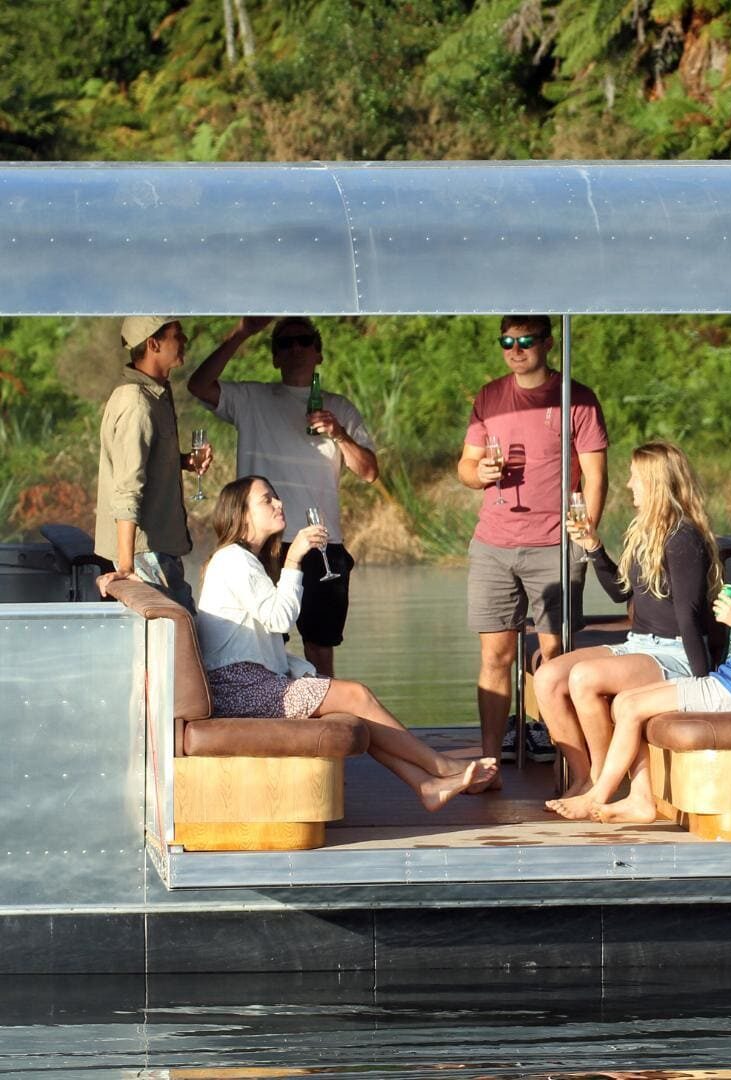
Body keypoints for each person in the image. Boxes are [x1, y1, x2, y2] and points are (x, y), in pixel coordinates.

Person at [196, 476, 493, 810]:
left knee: (355, 709)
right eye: (267, 500)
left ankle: (425, 785)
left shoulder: (248, 560)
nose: (279, 503)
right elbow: (279, 620)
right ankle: (441, 767)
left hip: (257, 681)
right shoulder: (232, 560)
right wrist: (294, 561)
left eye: (277, 497)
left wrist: (303, 673)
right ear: (242, 514)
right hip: (237, 688)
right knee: (356, 695)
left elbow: (266, 641)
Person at [553, 526, 731, 825]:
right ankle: (640, 799)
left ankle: (597, 796)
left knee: (630, 707)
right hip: (726, 683)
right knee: (624, 702)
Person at [457, 315, 609, 789]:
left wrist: (584, 534)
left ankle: (571, 762)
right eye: (507, 340)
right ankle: (489, 765)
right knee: (495, 655)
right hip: (494, 542)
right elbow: (465, 464)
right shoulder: (489, 396)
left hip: (554, 543)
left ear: (547, 344)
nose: (515, 349)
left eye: (525, 340)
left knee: (554, 652)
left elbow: (596, 474)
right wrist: (478, 474)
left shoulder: (576, 397)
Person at [535, 441, 724, 808]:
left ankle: (601, 788)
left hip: (673, 653)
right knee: (548, 677)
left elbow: (689, 613)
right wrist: (593, 547)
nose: (628, 485)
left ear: (655, 483)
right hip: (639, 644)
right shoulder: (644, 530)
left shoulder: (683, 538)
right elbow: (621, 593)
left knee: (584, 677)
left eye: (634, 477)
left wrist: (702, 683)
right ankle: (584, 778)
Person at [187, 316, 378, 676]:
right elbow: (198, 384)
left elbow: (369, 472)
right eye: (285, 344)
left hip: (322, 541)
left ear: (319, 353)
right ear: (274, 357)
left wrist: (338, 433)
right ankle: (280, 723)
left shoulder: (340, 407)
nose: (295, 349)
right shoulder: (252, 397)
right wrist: (242, 332)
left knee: (321, 647)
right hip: (265, 543)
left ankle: (327, 725)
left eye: (304, 341)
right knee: (269, 641)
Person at [95, 317, 212, 611]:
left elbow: (146, 463)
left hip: (155, 550)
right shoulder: (136, 403)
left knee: (176, 640)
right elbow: (127, 488)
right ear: (153, 344)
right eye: (177, 335)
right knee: (174, 642)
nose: (184, 340)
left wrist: (184, 461)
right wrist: (125, 567)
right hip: (145, 553)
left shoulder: (156, 394)